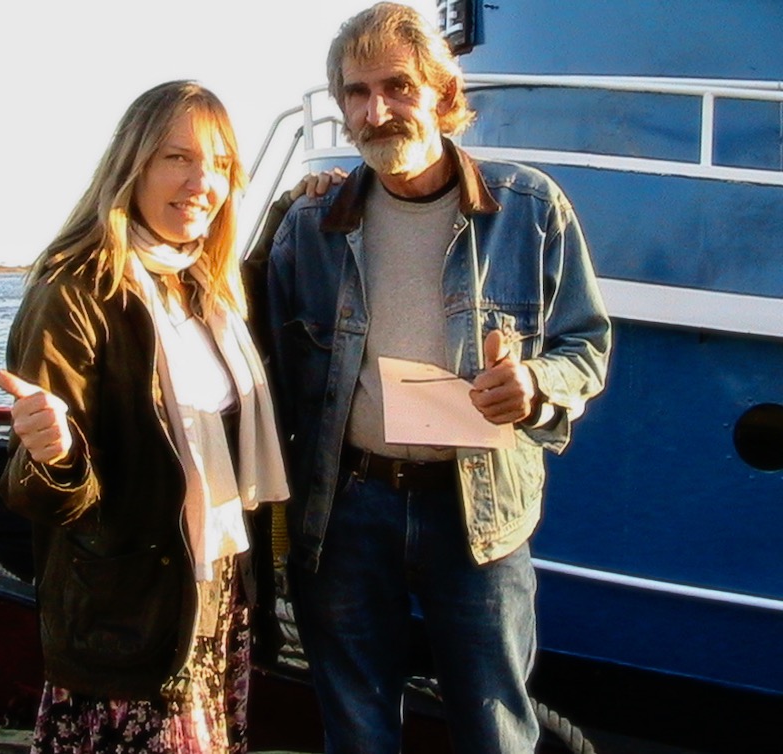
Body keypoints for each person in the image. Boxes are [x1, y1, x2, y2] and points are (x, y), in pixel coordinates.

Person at [258, 4, 612, 753]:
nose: (376, 110)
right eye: (356, 92)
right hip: (347, 513)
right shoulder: (307, 229)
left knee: (495, 731)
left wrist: (537, 386)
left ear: (444, 95)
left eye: (398, 86)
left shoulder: (530, 210)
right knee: (356, 732)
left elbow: (587, 346)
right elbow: (259, 364)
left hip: (478, 513)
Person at [0, 80, 289, 754]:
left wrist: (304, 200)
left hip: (215, 592)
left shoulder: (207, 289)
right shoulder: (78, 290)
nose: (200, 182)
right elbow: (42, 498)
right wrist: (54, 453)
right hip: (132, 607)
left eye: (218, 164)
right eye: (176, 158)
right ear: (133, 166)